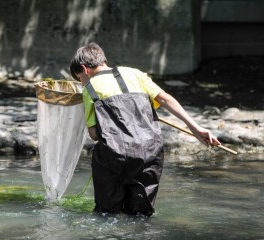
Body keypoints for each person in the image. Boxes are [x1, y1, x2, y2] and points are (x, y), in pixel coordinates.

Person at [70, 42, 220, 216]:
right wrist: (196, 129)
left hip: (115, 157)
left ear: (84, 69)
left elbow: (95, 135)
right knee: (141, 215)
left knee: (107, 214)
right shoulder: (135, 74)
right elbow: (165, 99)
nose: (82, 83)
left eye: (79, 78)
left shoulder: (90, 88)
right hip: (150, 154)